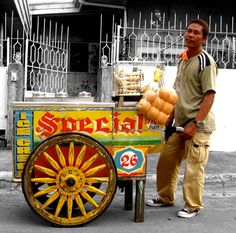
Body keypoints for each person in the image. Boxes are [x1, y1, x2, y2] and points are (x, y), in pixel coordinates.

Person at [146, 19, 218, 218]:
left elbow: (209, 96)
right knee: (166, 161)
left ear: (204, 38)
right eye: (188, 31)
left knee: (194, 169)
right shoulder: (184, 59)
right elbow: (180, 92)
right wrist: (171, 116)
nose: (190, 35)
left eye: (196, 33)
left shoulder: (206, 62)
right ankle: (166, 197)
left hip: (198, 125)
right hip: (179, 122)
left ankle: (192, 206)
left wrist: (196, 124)